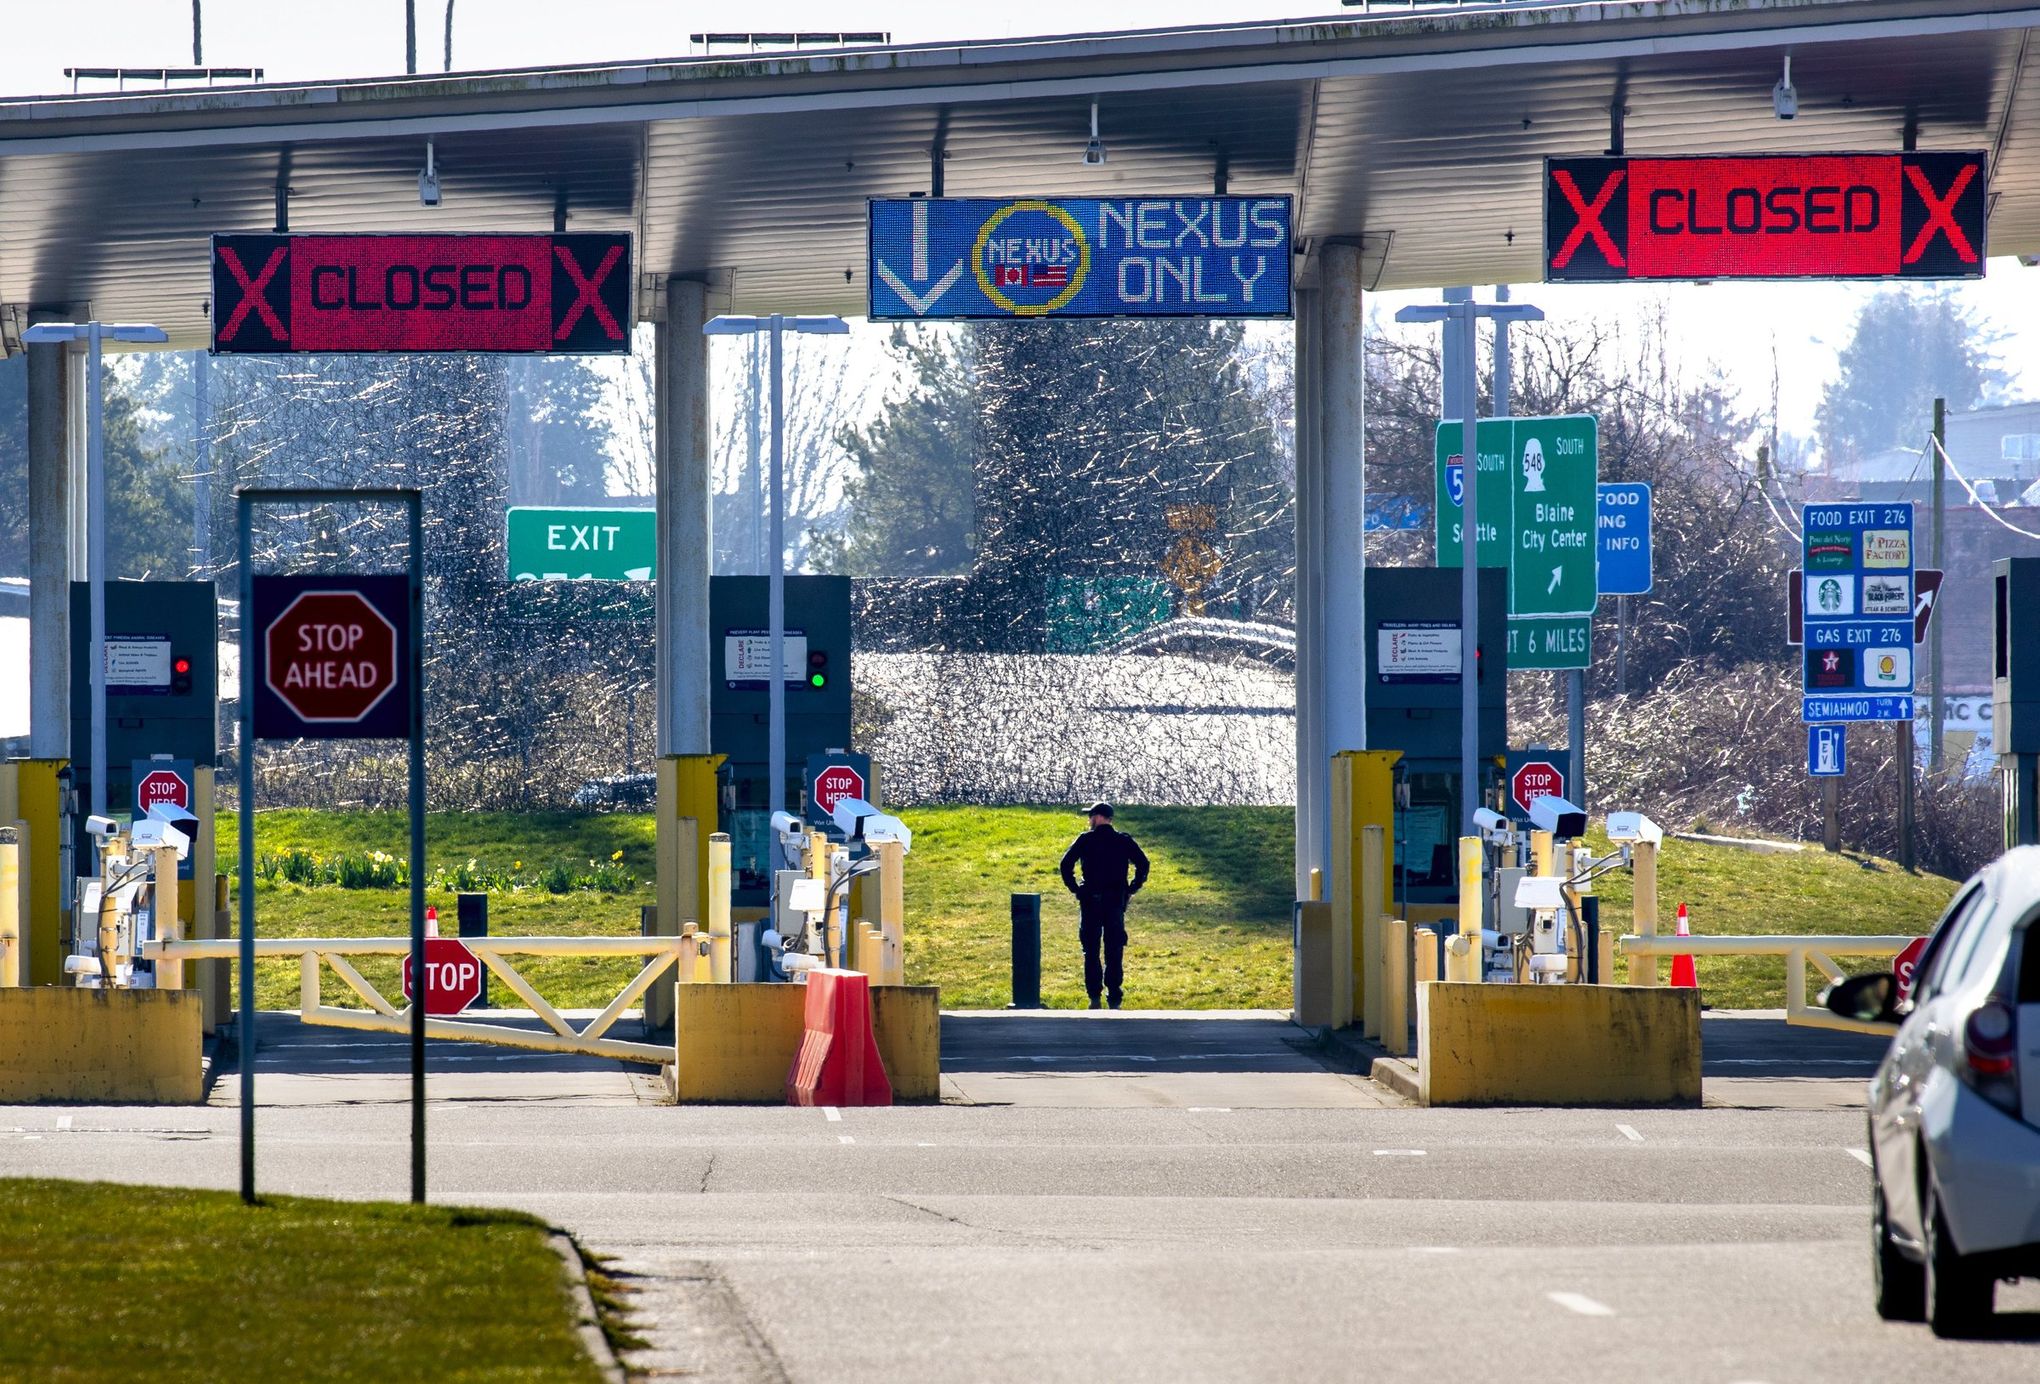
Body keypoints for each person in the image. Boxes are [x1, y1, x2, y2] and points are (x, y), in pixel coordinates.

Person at [1058, 802, 1149, 1010]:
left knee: (1090, 949)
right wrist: (1132, 888)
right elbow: (1143, 865)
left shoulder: (1085, 840)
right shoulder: (1123, 841)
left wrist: (1076, 889)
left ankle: (1094, 996)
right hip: (1115, 902)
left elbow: (1065, 865)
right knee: (1114, 948)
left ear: (1098, 817)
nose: (1089, 820)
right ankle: (1114, 996)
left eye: (1091, 816)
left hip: (1090, 901)